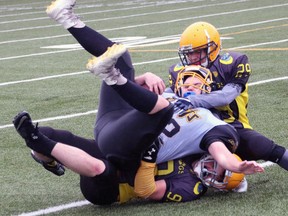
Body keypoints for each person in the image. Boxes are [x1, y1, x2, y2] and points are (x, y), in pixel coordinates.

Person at [13, 0, 263, 205]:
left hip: (116, 169)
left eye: (217, 175)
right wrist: (141, 78)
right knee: (122, 59)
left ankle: (43, 145)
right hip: (115, 129)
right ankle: (68, 19)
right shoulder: (201, 124)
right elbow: (151, 104)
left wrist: (234, 164)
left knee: (63, 145)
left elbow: (144, 190)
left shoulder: (195, 179)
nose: (210, 168)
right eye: (218, 168)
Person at [168, 21, 288, 170]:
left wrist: (192, 100)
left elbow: (226, 96)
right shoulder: (180, 71)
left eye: (196, 52)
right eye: (188, 53)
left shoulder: (232, 64)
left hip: (231, 125)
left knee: (264, 147)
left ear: (211, 48)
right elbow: (168, 95)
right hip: (196, 127)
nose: (192, 58)